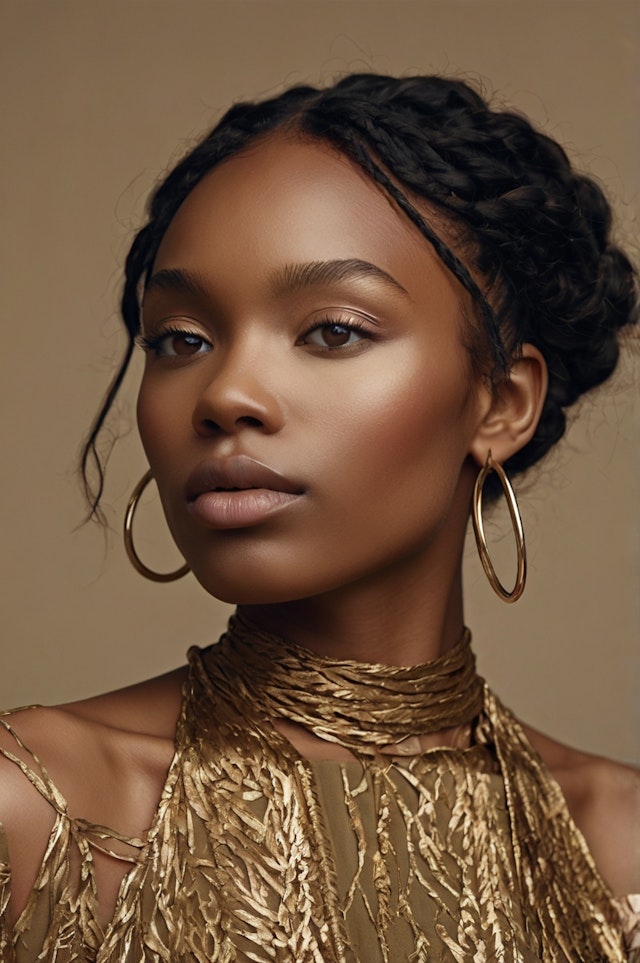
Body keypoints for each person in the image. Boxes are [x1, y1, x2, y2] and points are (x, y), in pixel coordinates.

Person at [0, 73, 638, 962]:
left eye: (331, 330)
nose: (225, 393)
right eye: (182, 338)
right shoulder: (36, 810)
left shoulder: (620, 854)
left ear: (501, 403)